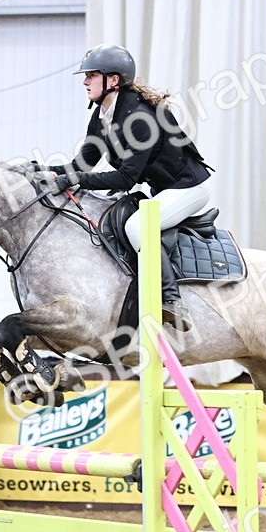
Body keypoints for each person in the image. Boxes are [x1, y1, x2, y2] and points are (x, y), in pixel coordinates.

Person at [43, 43, 213, 332]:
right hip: (162, 190)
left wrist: (75, 180)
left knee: (136, 228)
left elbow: (124, 178)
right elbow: (82, 166)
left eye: (91, 75)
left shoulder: (141, 118)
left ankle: (172, 300)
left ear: (113, 80)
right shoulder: (101, 118)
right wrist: (40, 171)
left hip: (188, 188)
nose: (85, 81)